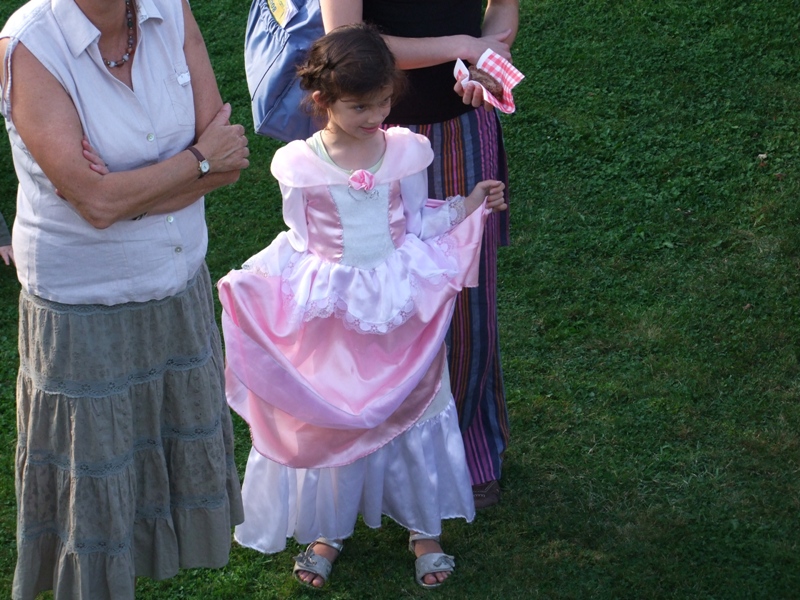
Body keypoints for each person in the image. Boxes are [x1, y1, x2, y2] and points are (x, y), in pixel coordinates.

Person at [218, 23, 507, 589]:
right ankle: (329, 527)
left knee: (414, 405)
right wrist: (259, 281)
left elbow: (417, 222)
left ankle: (424, 528)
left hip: (400, 301)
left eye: (382, 103)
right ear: (322, 99)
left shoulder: (405, 152)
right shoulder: (299, 166)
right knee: (338, 411)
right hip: (336, 308)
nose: (376, 116)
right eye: (360, 107)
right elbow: (300, 238)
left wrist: (470, 203)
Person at [0, 0, 249, 597]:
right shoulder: (30, 45)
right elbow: (98, 201)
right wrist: (195, 160)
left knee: (155, 472)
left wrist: (119, 195)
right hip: (84, 311)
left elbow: (230, 165)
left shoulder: (171, 9)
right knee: (93, 500)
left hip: (175, 286)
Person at [320, 0, 519, 510]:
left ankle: (469, 450)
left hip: (463, 127)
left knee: (466, 293)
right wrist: (463, 46)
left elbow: (503, 8)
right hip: (371, 140)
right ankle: (371, 456)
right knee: (371, 302)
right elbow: (344, 41)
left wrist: (487, 61)